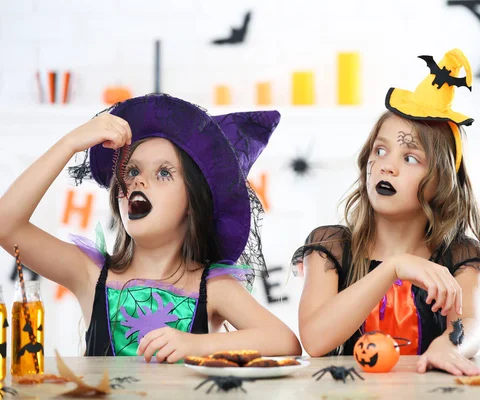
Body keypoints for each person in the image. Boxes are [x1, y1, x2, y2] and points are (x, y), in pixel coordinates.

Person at [0, 93, 302, 362]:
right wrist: (70, 143)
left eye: (163, 173)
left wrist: (196, 345)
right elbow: (6, 226)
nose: (139, 181)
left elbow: (284, 341)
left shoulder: (213, 287)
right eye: (131, 171)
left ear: (193, 202)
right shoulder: (89, 274)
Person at [293, 49, 480, 376]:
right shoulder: (331, 246)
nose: (387, 166)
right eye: (381, 150)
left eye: (409, 158)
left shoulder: (458, 255)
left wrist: (448, 347)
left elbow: (469, 326)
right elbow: (315, 340)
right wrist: (393, 267)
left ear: (441, 181)